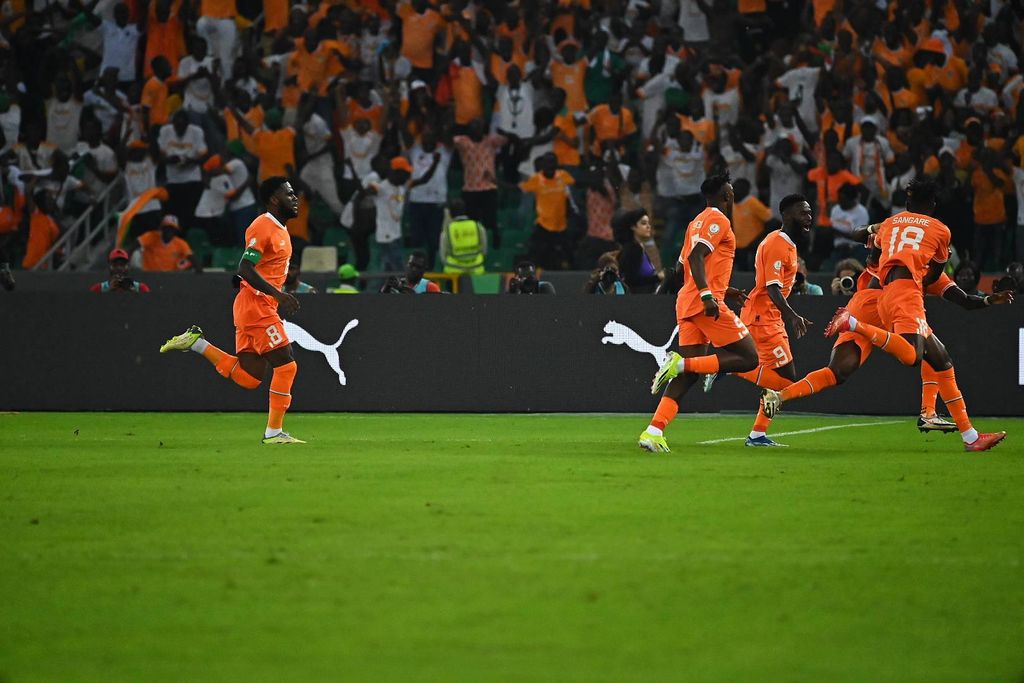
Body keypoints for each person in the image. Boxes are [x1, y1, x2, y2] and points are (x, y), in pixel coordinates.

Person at [763, 178, 1008, 452]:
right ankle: (935, 416)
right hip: (894, 297)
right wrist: (985, 300)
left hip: (868, 299)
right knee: (920, 354)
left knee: (848, 369)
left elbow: (858, 236)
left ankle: (780, 395)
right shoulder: (930, 250)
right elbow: (954, 292)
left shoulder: (892, 227)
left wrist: (872, 232)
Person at [159, 177, 305, 445]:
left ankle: (197, 344)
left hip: (255, 305)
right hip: (257, 305)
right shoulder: (263, 225)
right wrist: (278, 295)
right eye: (290, 194)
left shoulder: (281, 230)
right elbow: (245, 268)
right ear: (274, 199)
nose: (295, 198)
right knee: (287, 367)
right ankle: (274, 433)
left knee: (249, 378)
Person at [639, 173, 758, 452]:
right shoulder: (718, 219)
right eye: (730, 191)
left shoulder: (694, 223)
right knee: (749, 357)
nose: (732, 195)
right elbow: (696, 257)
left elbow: (682, 268)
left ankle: (653, 431)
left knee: (690, 375)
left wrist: (721, 288)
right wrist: (709, 294)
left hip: (689, 301)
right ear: (725, 196)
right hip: (704, 303)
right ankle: (677, 363)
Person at [706, 194, 814, 446]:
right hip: (763, 318)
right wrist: (792, 315)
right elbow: (772, 287)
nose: (808, 217)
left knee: (778, 382)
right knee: (786, 381)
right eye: (802, 212)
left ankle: (757, 434)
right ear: (787, 215)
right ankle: (728, 366)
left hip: (768, 316)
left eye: (809, 212)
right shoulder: (777, 243)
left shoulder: (787, 243)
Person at [613, 208, 660, 293]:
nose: (648, 226)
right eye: (643, 223)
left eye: (648, 223)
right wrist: (658, 277)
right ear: (633, 227)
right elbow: (630, 280)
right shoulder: (633, 249)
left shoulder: (639, 247)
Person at [440, 198, 486, 275]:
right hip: (476, 269)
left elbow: (443, 256)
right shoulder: (478, 226)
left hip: (453, 271)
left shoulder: (447, 230)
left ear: (450, 213)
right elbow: (484, 250)